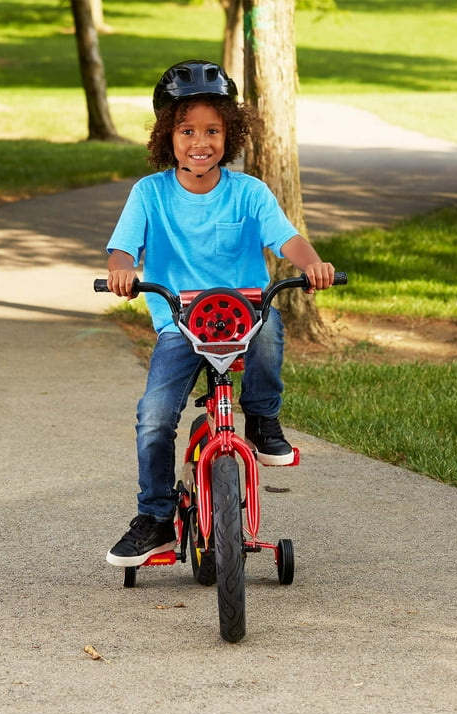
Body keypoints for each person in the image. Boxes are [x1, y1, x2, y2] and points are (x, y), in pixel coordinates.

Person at [104, 60, 336, 568]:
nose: (199, 142)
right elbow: (122, 251)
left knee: (271, 324)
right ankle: (157, 517)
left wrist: (313, 263)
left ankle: (263, 420)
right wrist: (121, 271)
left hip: (243, 315)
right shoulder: (150, 194)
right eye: (187, 131)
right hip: (181, 323)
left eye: (212, 130)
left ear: (230, 133)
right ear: (168, 136)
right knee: (154, 417)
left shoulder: (249, 192)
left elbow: (287, 238)